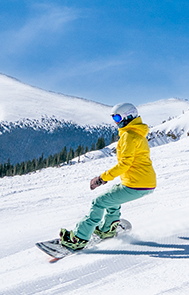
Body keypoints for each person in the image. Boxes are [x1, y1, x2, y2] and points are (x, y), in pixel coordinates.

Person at [58, 102, 157, 250]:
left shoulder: (128, 136)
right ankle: (107, 229)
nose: (116, 122)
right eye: (114, 118)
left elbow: (124, 164)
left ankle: (79, 238)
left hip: (137, 184)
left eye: (117, 118)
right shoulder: (137, 134)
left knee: (98, 202)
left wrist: (101, 179)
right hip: (143, 182)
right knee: (111, 198)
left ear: (128, 116)